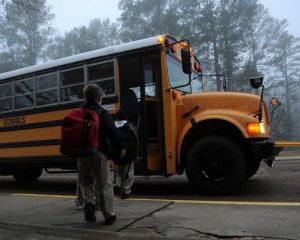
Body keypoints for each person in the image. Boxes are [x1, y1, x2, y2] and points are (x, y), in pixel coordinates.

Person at [77, 84, 126, 224]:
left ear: (86, 97)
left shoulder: (79, 112)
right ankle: (109, 215)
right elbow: (113, 132)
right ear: (99, 98)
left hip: (82, 154)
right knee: (104, 184)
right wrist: (122, 146)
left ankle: (88, 204)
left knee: (86, 181)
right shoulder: (101, 112)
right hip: (99, 152)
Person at [113, 109, 139, 199]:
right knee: (128, 173)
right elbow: (135, 141)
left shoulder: (113, 126)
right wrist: (136, 154)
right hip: (128, 154)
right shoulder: (129, 126)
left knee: (118, 171)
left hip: (116, 155)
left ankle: (117, 184)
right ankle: (125, 190)